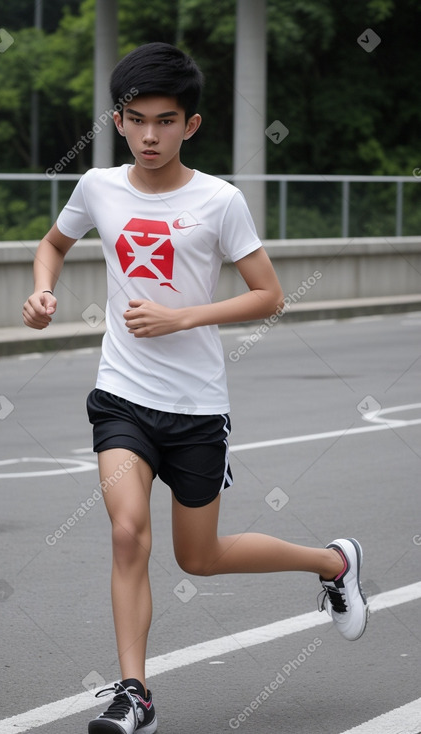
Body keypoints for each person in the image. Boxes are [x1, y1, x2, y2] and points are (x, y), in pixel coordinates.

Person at [23, 42, 369, 734]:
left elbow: (268, 294)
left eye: (166, 120)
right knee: (127, 534)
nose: (150, 134)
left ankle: (332, 563)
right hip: (121, 395)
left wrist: (185, 315)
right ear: (117, 120)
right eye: (136, 118)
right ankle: (134, 695)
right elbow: (53, 244)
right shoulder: (96, 186)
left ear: (192, 124)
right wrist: (41, 290)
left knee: (199, 557)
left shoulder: (219, 200)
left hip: (195, 407)